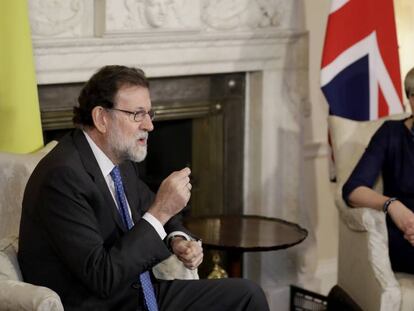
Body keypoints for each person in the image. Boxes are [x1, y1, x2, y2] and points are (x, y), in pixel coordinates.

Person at [18, 65, 270, 311]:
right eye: (137, 114)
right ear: (101, 118)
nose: (149, 125)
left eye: (150, 113)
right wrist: (161, 210)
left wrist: (178, 239)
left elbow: (154, 206)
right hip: (98, 302)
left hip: (137, 292)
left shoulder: (119, 160)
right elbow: (102, 277)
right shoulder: (62, 177)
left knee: (247, 295)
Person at [342, 67, 414, 274]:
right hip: (402, 236)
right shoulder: (390, 133)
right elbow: (352, 190)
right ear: (410, 99)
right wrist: (392, 204)